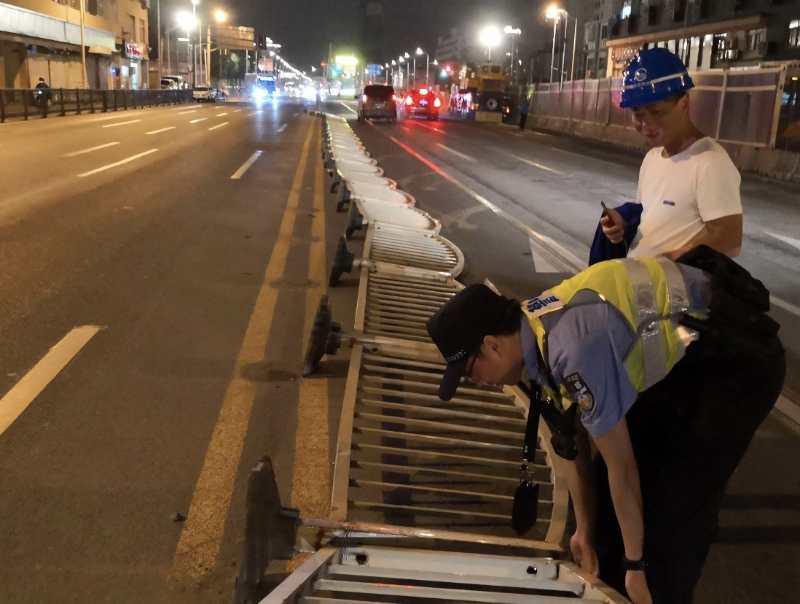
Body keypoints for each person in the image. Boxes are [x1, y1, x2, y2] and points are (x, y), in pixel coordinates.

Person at [426, 247, 784, 604]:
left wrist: (637, 566)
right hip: (688, 350)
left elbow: (621, 468)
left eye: (470, 372)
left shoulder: (572, 352)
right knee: (620, 508)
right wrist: (585, 529)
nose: (476, 382)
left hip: (737, 360)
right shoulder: (533, 329)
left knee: (676, 512)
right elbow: (572, 439)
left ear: (492, 346)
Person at [598, 48, 743, 262]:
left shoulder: (711, 162)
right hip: (640, 285)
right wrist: (624, 223)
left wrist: (671, 261)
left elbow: (729, 239)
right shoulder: (653, 158)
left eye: (657, 112)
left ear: (684, 103)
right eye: (638, 114)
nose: (647, 124)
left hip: (673, 292)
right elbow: (650, 217)